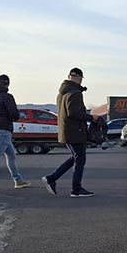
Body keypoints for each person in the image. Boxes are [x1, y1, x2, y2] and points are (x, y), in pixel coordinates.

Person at [42, 68, 95, 197]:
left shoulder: (62, 93)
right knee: (80, 158)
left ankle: (52, 178)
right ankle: (76, 189)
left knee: (75, 157)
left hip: (66, 130)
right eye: (79, 78)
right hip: (75, 131)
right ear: (78, 78)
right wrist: (91, 117)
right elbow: (74, 113)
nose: (79, 80)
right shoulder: (75, 92)